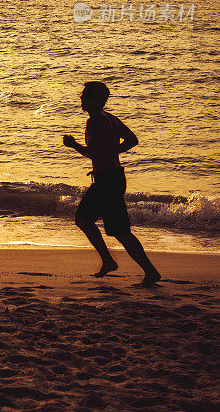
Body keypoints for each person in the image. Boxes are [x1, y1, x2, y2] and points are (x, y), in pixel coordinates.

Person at [63, 81, 161, 287]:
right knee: (88, 221)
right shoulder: (109, 118)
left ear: (96, 100)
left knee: (115, 229)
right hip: (112, 178)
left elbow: (94, 153)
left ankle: (146, 271)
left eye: (85, 96)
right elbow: (132, 140)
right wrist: (113, 152)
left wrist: (74, 145)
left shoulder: (96, 121)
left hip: (108, 181)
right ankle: (111, 261)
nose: (81, 99)